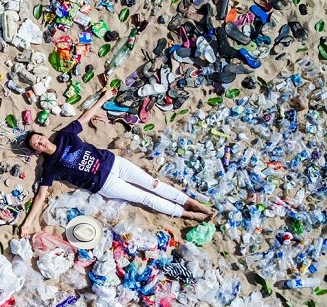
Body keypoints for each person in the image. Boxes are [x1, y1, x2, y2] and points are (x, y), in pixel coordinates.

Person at [19, 88, 215, 238]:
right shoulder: (50, 167)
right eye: (37, 144)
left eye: (39, 138)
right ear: (37, 150)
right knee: (145, 197)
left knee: (154, 184)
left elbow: (84, 118)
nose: (41, 142)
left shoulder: (64, 135)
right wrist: (28, 222)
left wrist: (104, 98)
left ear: (44, 136)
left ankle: (193, 204)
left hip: (113, 162)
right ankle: (189, 215)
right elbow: (40, 196)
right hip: (105, 184)